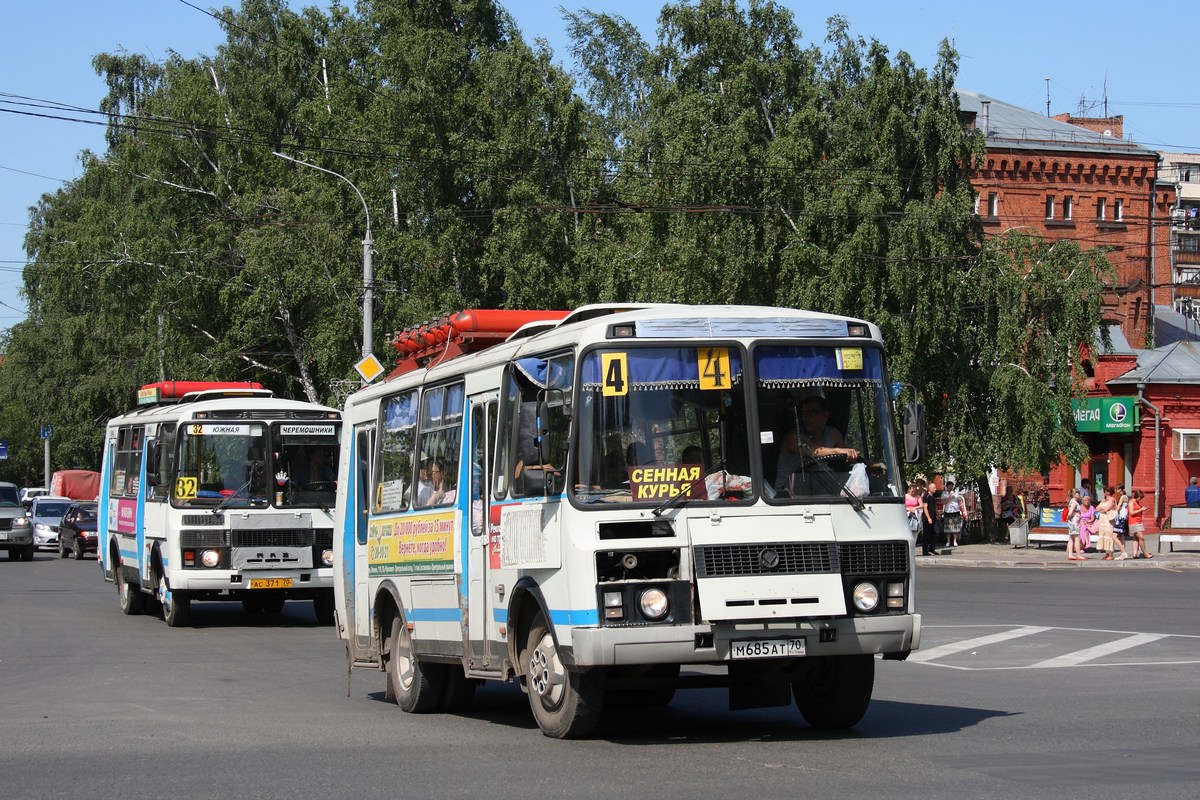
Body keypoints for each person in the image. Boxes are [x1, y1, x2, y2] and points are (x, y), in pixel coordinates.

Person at [1095, 485, 1122, 560]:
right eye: (1105, 492)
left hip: (1108, 520)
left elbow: (1106, 509)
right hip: (1103, 520)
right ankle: (1107, 553)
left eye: (1107, 492)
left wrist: (1101, 509)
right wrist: (1101, 508)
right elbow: (1097, 508)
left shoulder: (1112, 500)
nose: (1105, 493)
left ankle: (1111, 554)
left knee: (1109, 536)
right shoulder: (1104, 500)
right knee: (1104, 535)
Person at [1128, 489, 1151, 559]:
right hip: (1134, 522)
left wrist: (1143, 510)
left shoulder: (1137, 502)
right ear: (1137, 496)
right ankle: (1145, 553)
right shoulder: (1131, 502)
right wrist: (1141, 509)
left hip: (1138, 522)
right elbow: (1131, 513)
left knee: (1136, 538)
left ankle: (1135, 554)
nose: (1140, 499)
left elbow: (1137, 511)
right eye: (1140, 498)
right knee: (1141, 538)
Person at [919, 478, 940, 556]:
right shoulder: (926, 496)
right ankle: (925, 551)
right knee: (926, 535)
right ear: (929, 488)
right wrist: (928, 518)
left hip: (933, 517)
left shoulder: (934, 496)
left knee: (934, 533)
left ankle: (932, 548)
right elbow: (925, 507)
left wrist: (937, 514)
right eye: (934, 488)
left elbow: (935, 506)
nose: (935, 489)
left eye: (935, 487)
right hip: (927, 518)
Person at [941, 480, 965, 549]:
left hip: (955, 511)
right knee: (948, 526)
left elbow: (959, 501)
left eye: (952, 486)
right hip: (948, 511)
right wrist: (949, 497)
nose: (951, 487)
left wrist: (961, 509)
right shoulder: (944, 493)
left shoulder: (956, 493)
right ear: (947, 487)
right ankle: (948, 541)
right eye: (950, 486)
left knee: (955, 526)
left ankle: (955, 540)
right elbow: (943, 502)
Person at [1064, 488, 1085, 561]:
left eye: (1078, 493)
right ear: (1073, 494)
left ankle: (1070, 554)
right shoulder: (1074, 502)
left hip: (1072, 521)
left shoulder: (1072, 501)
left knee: (1071, 538)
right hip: (1074, 522)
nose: (1078, 495)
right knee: (1077, 538)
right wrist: (1068, 516)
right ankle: (1078, 555)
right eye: (1077, 493)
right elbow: (1070, 512)